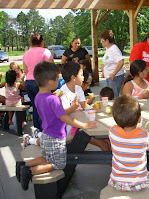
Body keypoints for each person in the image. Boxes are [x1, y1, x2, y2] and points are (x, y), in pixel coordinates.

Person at [16, 61, 97, 190]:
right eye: (56, 78)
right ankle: (29, 171)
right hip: (56, 137)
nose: (58, 80)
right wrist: (84, 125)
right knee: (58, 163)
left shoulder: (38, 97)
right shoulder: (53, 99)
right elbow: (64, 117)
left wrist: (73, 107)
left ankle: (23, 164)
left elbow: (59, 112)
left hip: (47, 134)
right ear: (50, 82)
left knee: (46, 157)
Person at [108, 94, 149, 191]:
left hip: (117, 182)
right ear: (140, 118)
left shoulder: (112, 132)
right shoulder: (143, 135)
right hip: (138, 182)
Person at [23, 33, 54, 131]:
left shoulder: (26, 53)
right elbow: (52, 68)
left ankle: (37, 131)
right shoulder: (45, 51)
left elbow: (26, 70)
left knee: (36, 107)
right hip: (41, 82)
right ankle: (45, 131)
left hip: (29, 82)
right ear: (42, 42)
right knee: (44, 108)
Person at [100, 29, 124, 98]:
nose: (101, 42)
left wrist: (114, 73)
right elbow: (108, 62)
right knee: (109, 96)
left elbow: (121, 61)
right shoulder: (108, 48)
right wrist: (104, 71)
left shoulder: (114, 49)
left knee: (113, 97)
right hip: (109, 77)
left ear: (107, 41)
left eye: (102, 41)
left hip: (115, 78)